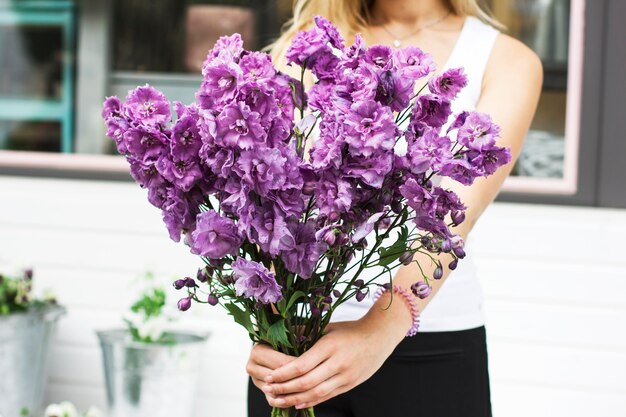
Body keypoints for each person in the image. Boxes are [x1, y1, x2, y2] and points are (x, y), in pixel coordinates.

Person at [246, 0, 543, 415]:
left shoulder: (505, 60)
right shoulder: (305, 47)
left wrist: (376, 333)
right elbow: (267, 202)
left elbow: (454, 216)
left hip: (428, 349)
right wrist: (269, 324)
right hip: (297, 351)